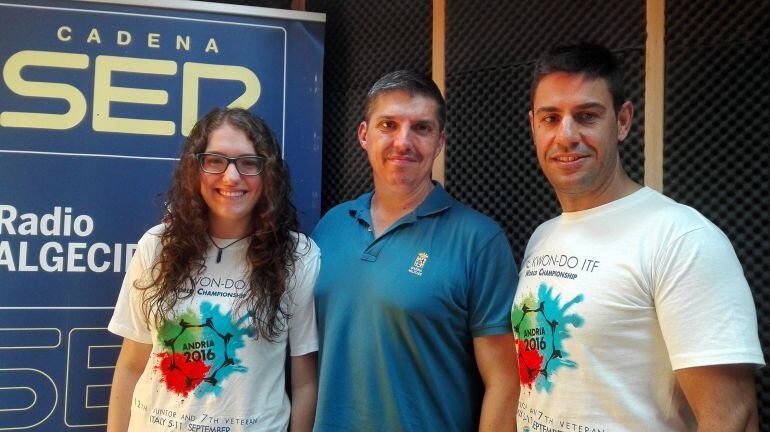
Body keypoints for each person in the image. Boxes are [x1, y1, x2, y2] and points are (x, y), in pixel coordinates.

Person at [512, 42, 764, 431]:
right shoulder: (543, 237)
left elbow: (732, 417)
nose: (566, 136)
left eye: (586, 116)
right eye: (550, 118)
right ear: (533, 126)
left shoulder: (680, 239)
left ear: (623, 120)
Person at [312, 70, 520, 431]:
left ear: (440, 142)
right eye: (388, 125)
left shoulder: (478, 241)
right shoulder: (331, 226)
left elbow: (505, 383)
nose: (403, 141)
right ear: (364, 134)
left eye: (421, 128)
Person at [107, 108, 320, 432]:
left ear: (269, 173)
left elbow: (305, 381)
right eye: (216, 160)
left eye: (248, 163)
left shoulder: (297, 256)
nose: (231, 177)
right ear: (196, 168)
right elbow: (131, 367)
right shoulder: (156, 246)